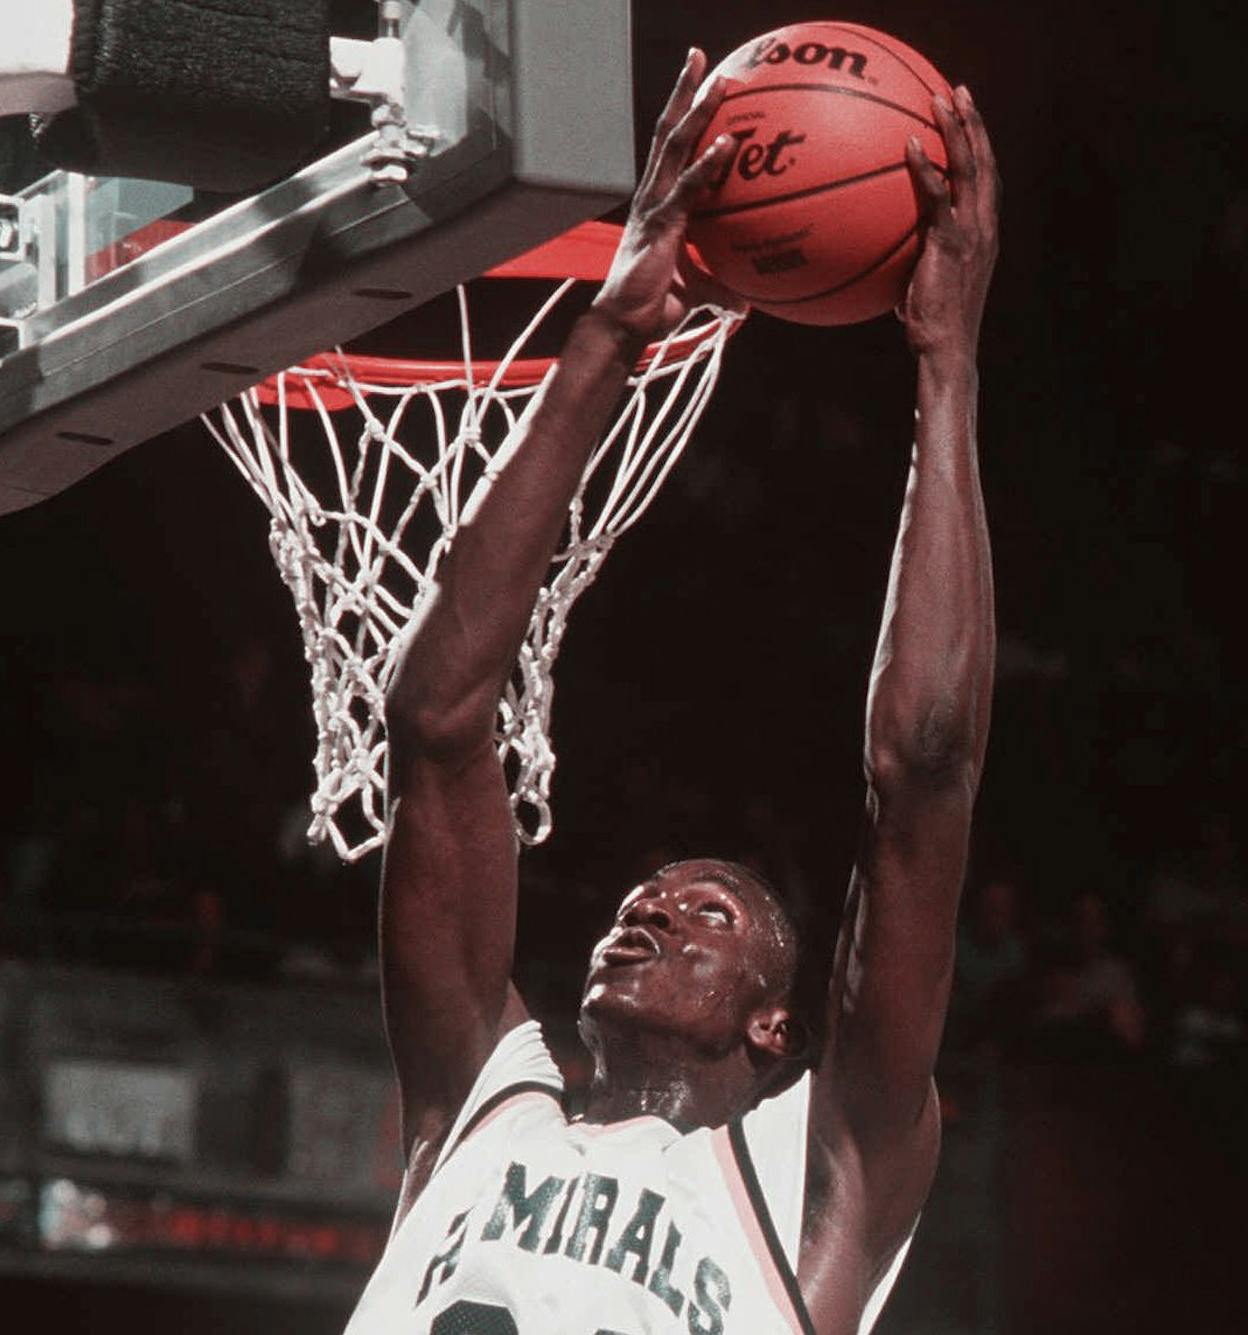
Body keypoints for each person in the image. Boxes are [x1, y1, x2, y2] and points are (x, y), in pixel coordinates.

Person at [344, 48, 1000, 1335]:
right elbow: (434, 724)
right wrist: (604, 333)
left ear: (773, 1025)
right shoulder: (479, 1101)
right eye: (649, 901)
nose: (645, 912)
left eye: (704, 917)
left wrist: (945, 368)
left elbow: (922, 774)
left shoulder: (813, 1181)